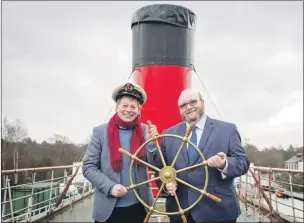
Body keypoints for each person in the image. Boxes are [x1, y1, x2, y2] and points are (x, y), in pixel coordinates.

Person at [148, 89, 250, 223]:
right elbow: (160, 169)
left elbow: (242, 162)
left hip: (218, 212)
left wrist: (224, 164)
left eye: (193, 102)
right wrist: (167, 184)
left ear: (202, 102)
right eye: (183, 105)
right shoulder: (169, 134)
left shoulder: (227, 130)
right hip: (180, 211)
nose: (188, 107)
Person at [82, 82, 154, 223]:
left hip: (139, 206)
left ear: (139, 110)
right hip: (108, 208)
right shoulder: (100, 132)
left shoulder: (146, 131)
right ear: (117, 107)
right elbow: (88, 167)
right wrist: (110, 187)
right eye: (125, 106)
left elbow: (153, 163)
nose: (129, 110)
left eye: (133, 107)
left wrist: (152, 145)